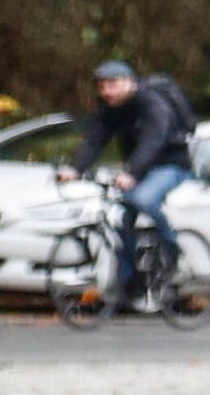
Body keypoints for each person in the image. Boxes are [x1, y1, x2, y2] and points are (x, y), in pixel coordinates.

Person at [85, 57, 201, 311]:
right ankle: (129, 283)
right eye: (102, 86)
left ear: (130, 83)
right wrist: (74, 169)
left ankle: (173, 254)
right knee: (121, 218)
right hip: (142, 168)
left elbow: (153, 140)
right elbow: (95, 140)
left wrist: (131, 172)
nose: (106, 91)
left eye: (112, 84)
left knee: (143, 199)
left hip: (171, 165)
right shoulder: (111, 110)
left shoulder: (152, 102)